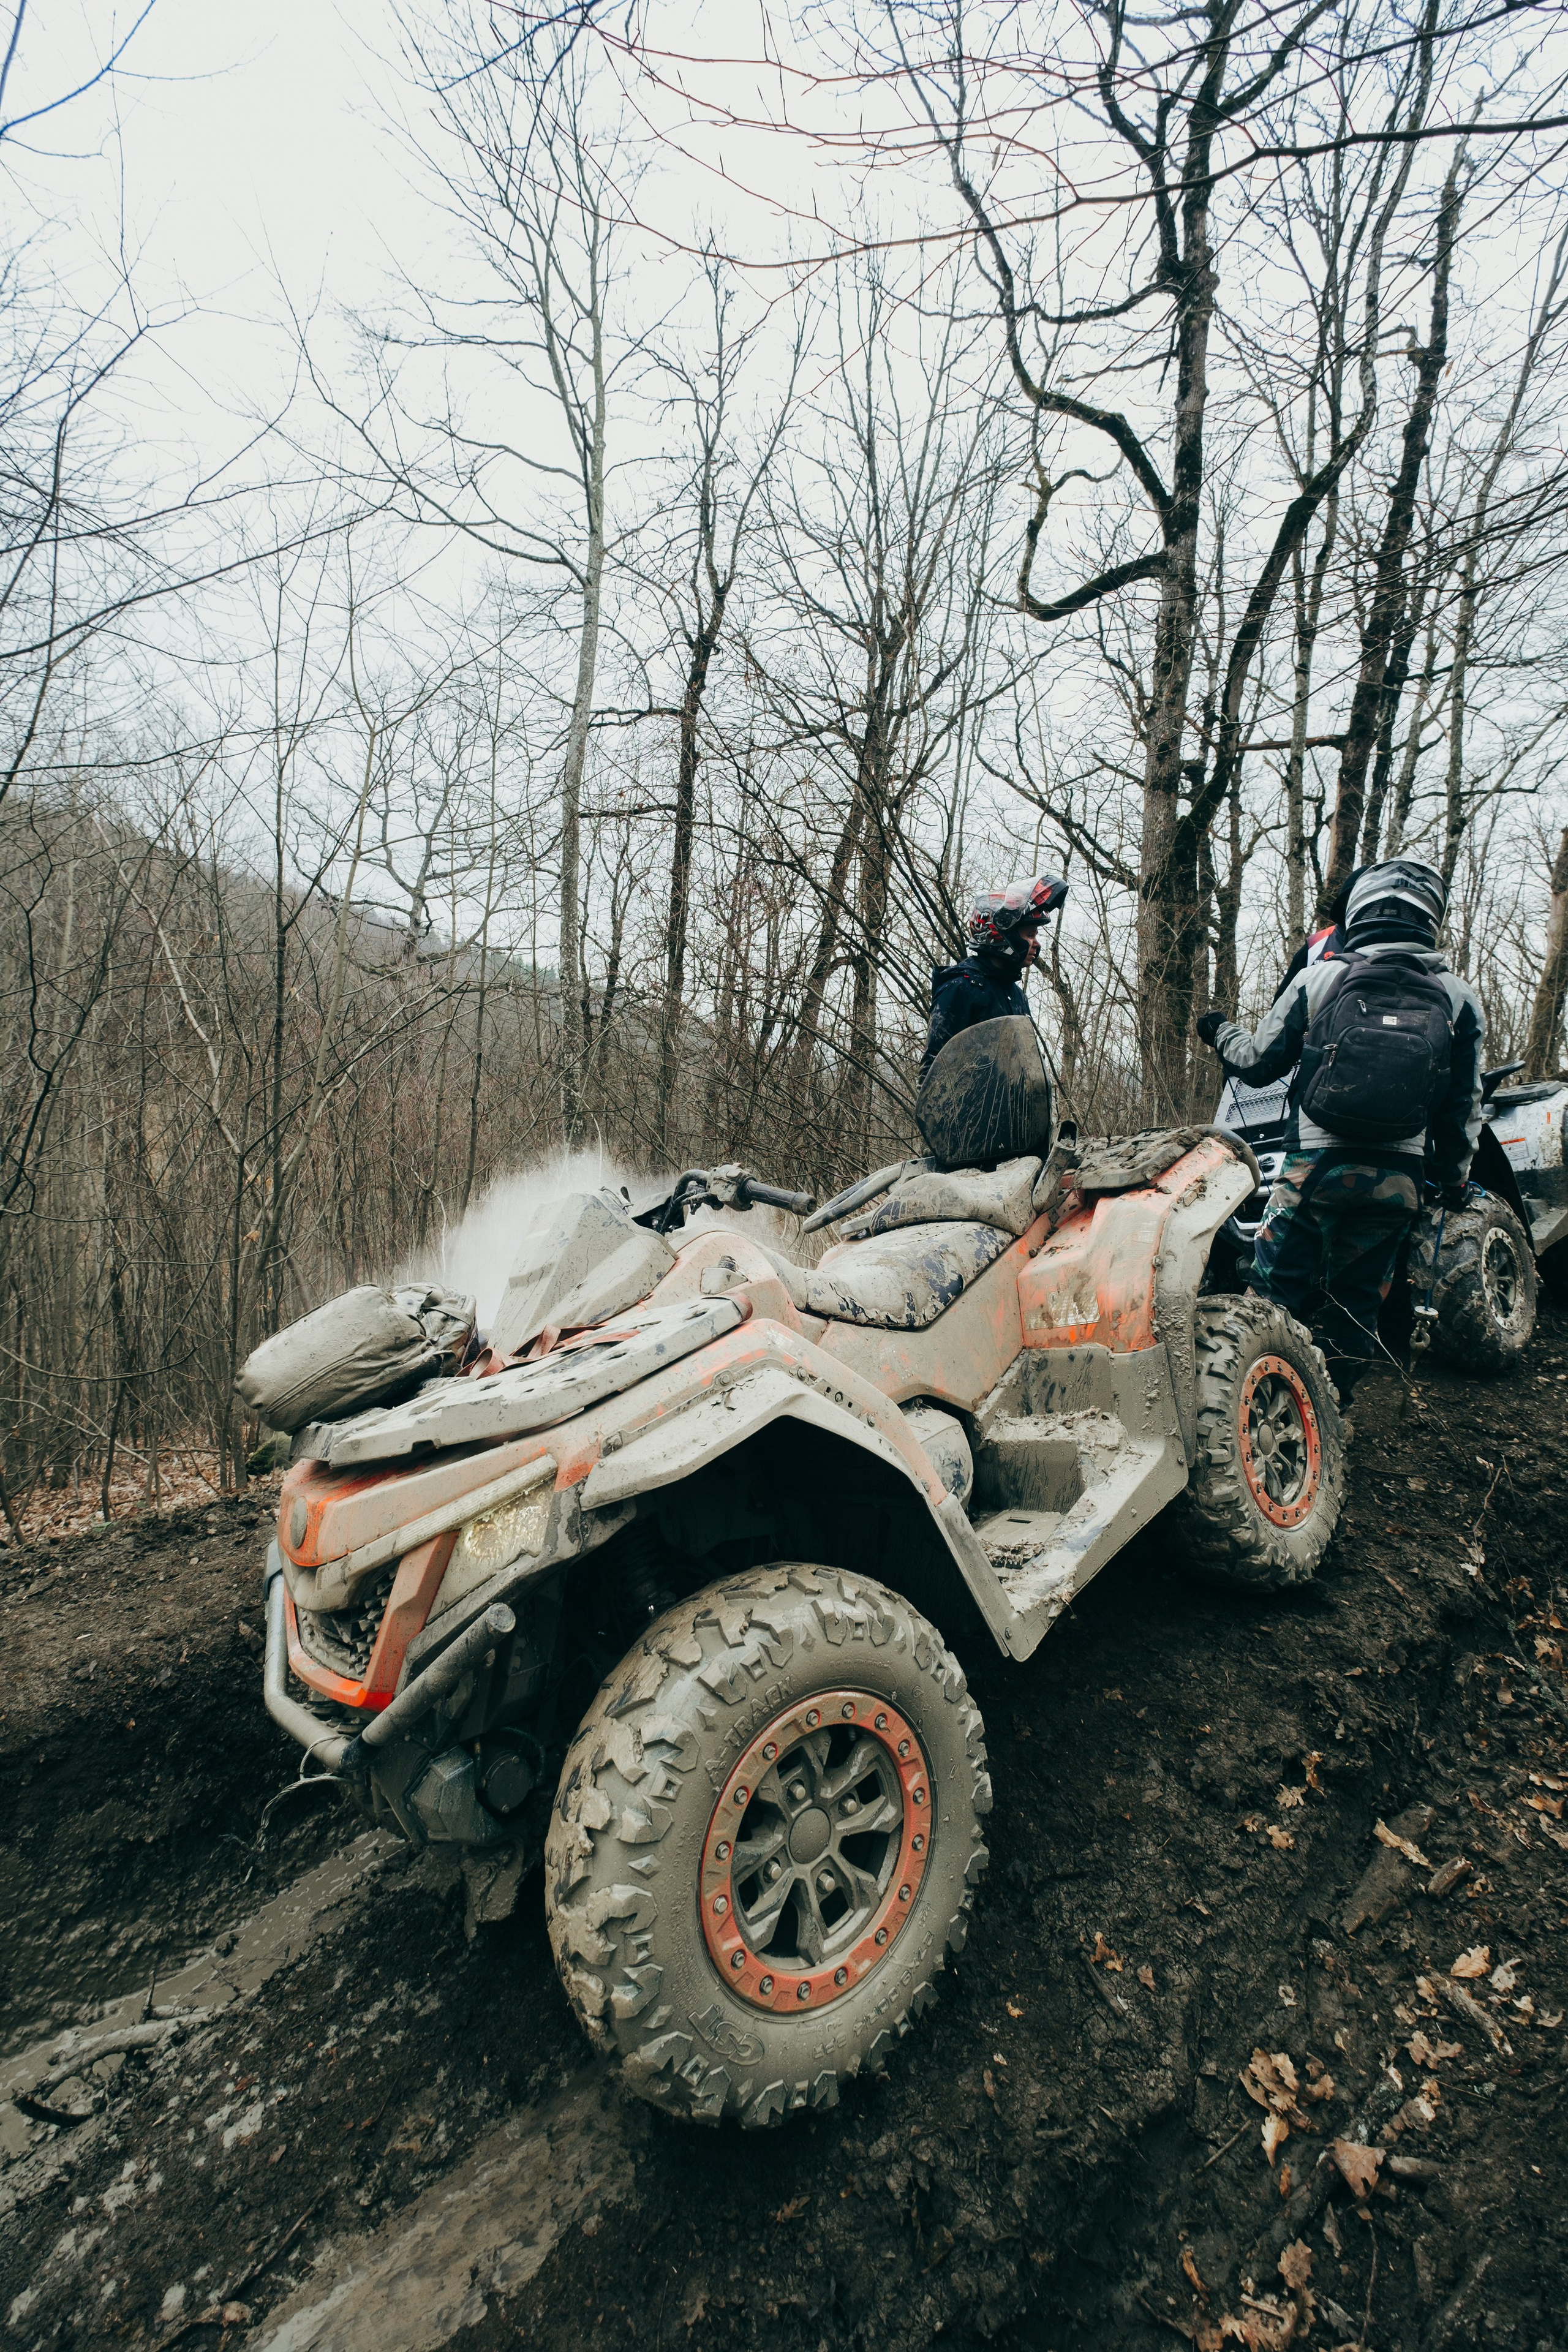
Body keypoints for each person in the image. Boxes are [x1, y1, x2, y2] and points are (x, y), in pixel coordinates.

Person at [1196, 858, 1484, 1412]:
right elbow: (1463, 1104)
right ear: (1432, 919)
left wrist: (1218, 1029)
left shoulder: (1320, 977)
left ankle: (1254, 1416)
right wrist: (1453, 1180)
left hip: (1315, 1168)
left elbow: (1255, 1064)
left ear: (1359, 913)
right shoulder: (1458, 996)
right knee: (1358, 1305)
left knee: (1273, 1295)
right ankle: (1331, 1416)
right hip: (1400, 1177)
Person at [921, 876, 1068, 1080]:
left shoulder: (1016, 994)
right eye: (1030, 935)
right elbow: (933, 1068)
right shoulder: (961, 986)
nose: (1037, 944)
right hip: (969, 1102)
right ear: (1000, 934)